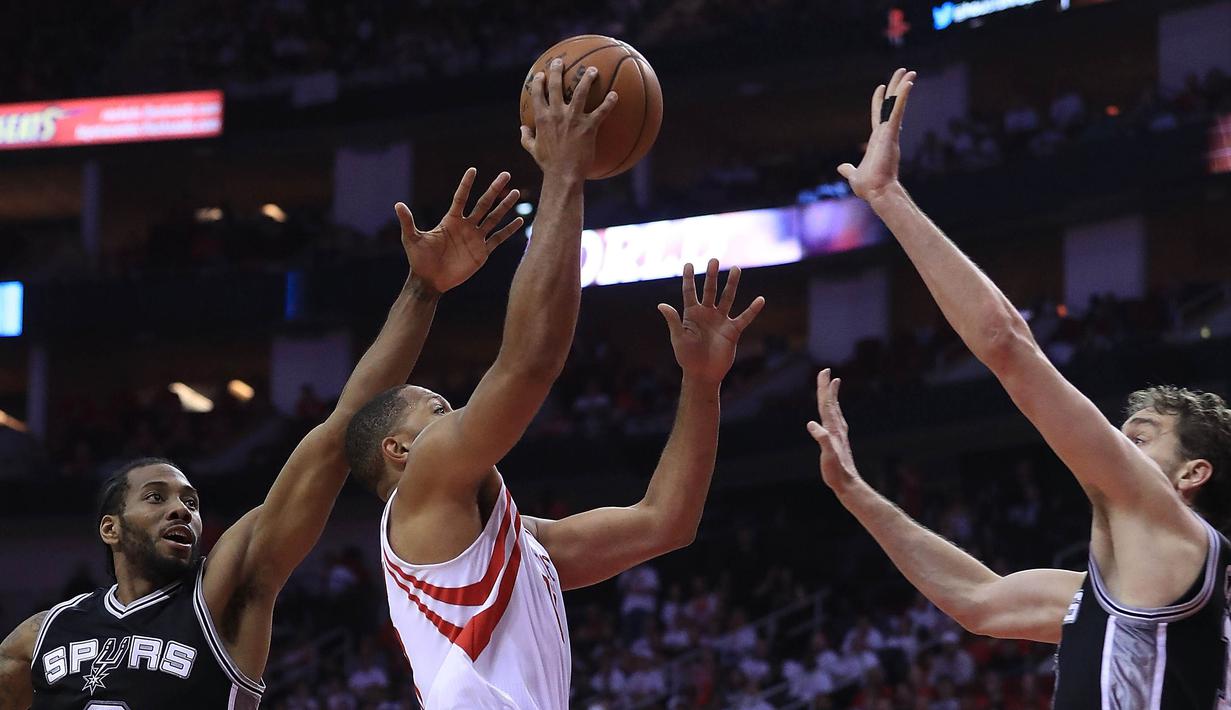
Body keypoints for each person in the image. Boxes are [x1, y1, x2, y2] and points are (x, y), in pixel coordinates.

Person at [0, 167, 525, 709]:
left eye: (191, 501)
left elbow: (337, 434)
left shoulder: (225, 590)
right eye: (156, 498)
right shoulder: (41, 637)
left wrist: (423, 289)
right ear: (110, 528)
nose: (181, 511)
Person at [344, 59, 766, 709]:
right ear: (398, 451)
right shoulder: (423, 483)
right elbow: (528, 364)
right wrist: (564, 172)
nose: (454, 412)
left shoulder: (517, 548)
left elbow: (664, 523)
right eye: (435, 407)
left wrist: (701, 383)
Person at [810, 68, 1231, 707]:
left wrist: (888, 196)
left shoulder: (1171, 530)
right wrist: (856, 493)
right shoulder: (1110, 590)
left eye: (1141, 438)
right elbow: (976, 602)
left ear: (1192, 474)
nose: (1117, 443)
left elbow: (1008, 346)